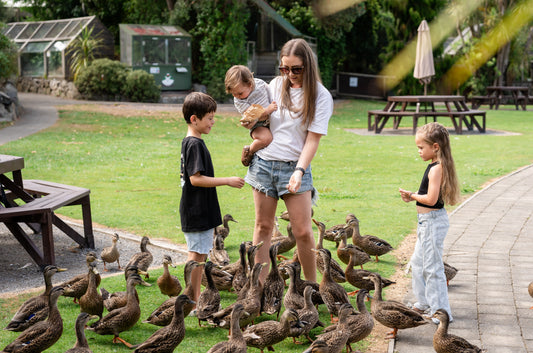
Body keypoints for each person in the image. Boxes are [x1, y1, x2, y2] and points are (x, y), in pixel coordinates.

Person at [243, 38, 333, 283]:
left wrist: (300, 171)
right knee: (262, 227)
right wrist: (251, 126)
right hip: (263, 164)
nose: (290, 74)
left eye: (296, 69)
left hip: (294, 167)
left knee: (303, 231)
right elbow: (258, 119)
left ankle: (312, 289)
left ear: (308, 66)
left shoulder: (320, 96)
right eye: (285, 68)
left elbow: (312, 140)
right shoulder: (274, 85)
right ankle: (257, 290)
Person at [180, 92, 245, 310]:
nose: (213, 122)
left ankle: (194, 300)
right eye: (209, 118)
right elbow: (195, 179)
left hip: (200, 211)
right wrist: (227, 180)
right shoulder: (194, 144)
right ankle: (191, 302)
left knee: (198, 258)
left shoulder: (192, 142)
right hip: (196, 211)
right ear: (194, 119)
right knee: (195, 259)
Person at [399, 122, 460, 324]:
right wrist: (414, 196)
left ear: (435, 147)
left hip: (432, 222)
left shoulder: (436, 169)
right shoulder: (435, 166)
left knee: (432, 268)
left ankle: (441, 312)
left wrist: (413, 195)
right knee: (418, 263)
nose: (418, 151)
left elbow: (431, 200)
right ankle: (424, 302)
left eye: (421, 147)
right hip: (426, 222)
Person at [225, 65, 277, 166]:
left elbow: (272, 92)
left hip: (271, 120)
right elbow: (253, 116)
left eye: (240, 93)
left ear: (250, 84)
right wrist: (268, 110)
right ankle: (250, 151)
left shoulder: (260, 84)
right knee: (266, 139)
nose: (236, 97)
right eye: (233, 94)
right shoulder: (239, 101)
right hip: (258, 125)